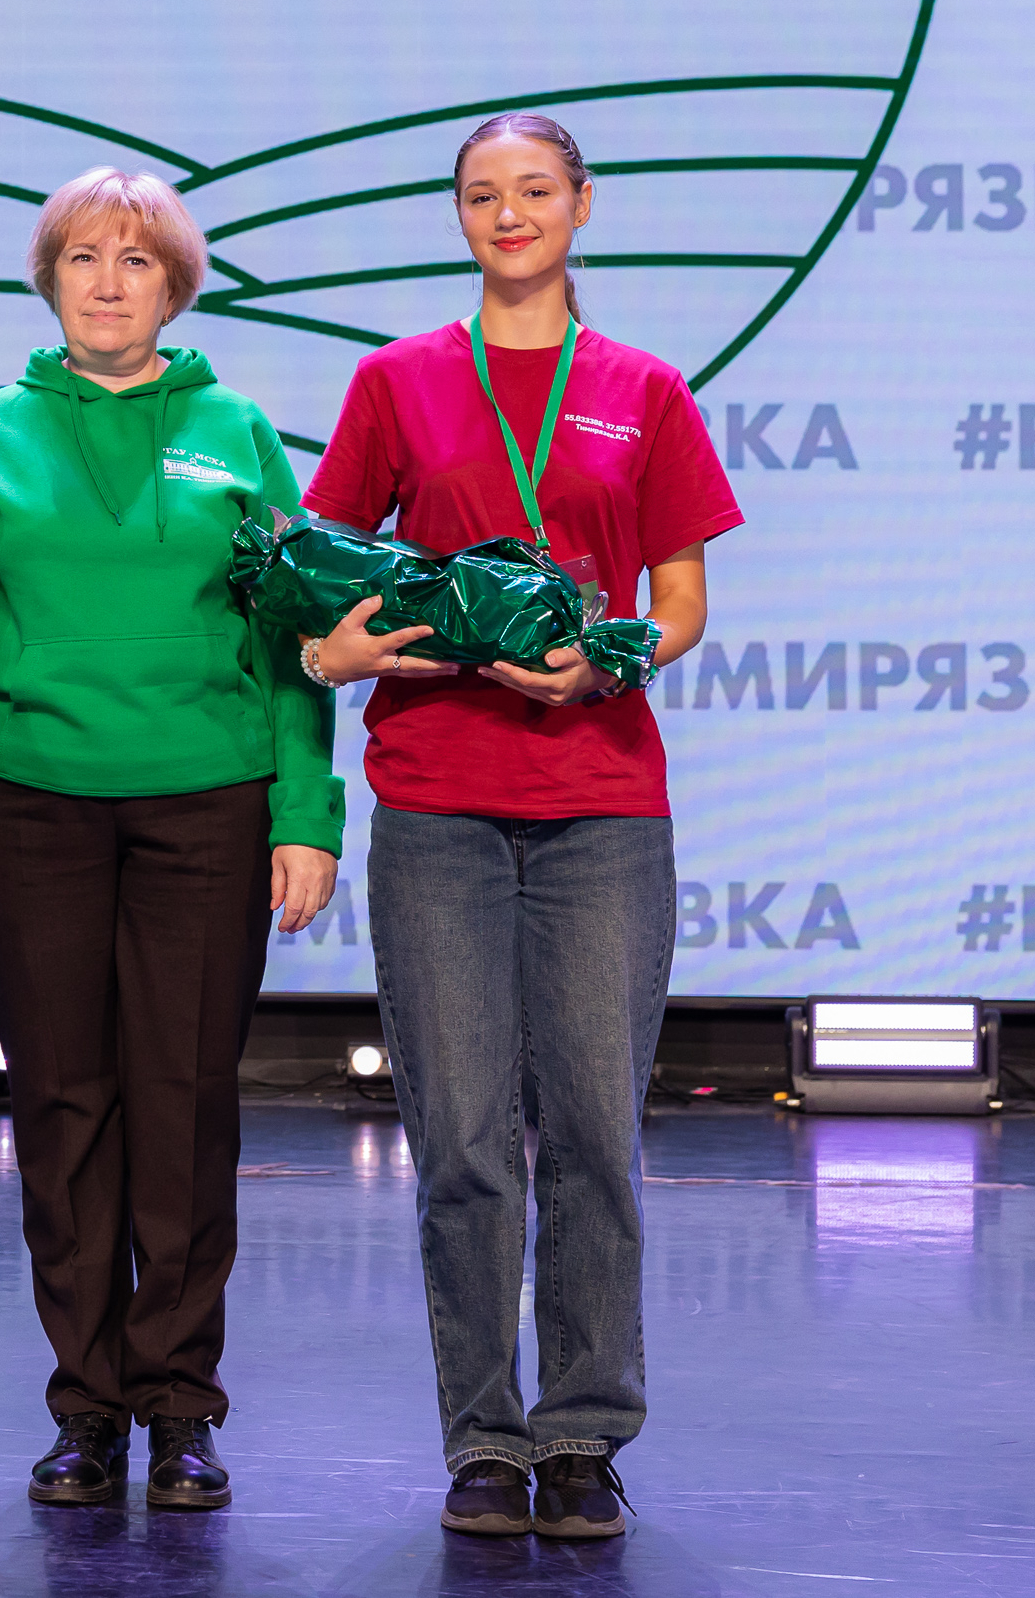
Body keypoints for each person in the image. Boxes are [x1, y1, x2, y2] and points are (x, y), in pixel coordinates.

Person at [297, 112, 739, 1541]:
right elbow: (329, 567)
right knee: (464, 1143)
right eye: (483, 194)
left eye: (535, 190)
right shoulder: (397, 381)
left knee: (596, 1136)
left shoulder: (642, 388)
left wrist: (612, 658)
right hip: (436, 796)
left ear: (581, 205)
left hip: (602, 801)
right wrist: (361, 649)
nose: (509, 214)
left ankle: (586, 1432)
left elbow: (681, 597)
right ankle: (485, 1438)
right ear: (460, 216)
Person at [0, 168, 341, 1511]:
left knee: (186, 1103)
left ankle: (181, 1404)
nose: (107, 281)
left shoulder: (239, 431)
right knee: (63, 1103)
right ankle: (86, 1405)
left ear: (174, 286)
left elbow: (295, 636)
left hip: (208, 801)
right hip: (27, 800)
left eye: (136, 260)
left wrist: (307, 812)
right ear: (49, 279)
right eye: (82, 257)